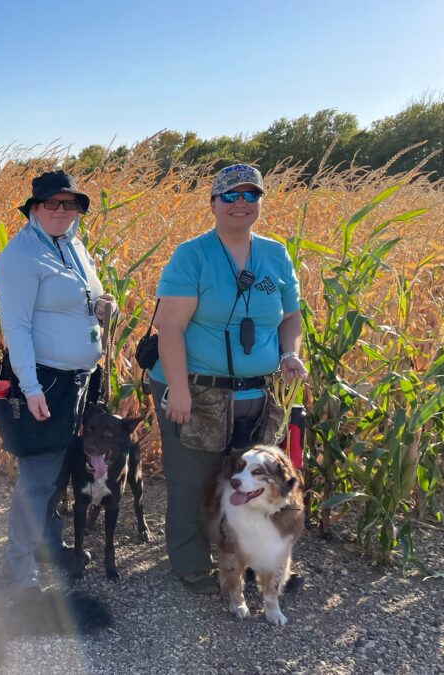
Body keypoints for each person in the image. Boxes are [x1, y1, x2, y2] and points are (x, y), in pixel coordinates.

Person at [148, 163, 308, 595]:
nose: (241, 204)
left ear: (260, 202)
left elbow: (290, 316)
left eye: (250, 195)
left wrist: (289, 353)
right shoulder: (192, 255)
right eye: (230, 196)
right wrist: (178, 390)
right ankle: (190, 562)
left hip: (261, 391)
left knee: (254, 480)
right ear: (213, 204)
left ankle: (255, 561)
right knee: (194, 478)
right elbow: (171, 328)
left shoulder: (275, 254)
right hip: (196, 387)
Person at [0, 170, 117, 591]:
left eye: (70, 204)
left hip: (80, 378)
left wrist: (102, 305)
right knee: (39, 475)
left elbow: (86, 295)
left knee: (61, 469)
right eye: (52, 204)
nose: (62, 211)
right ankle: (18, 566)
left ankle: (49, 546)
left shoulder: (75, 246)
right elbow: (17, 327)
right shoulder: (21, 257)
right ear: (34, 209)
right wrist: (29, 387)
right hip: (44, 379)